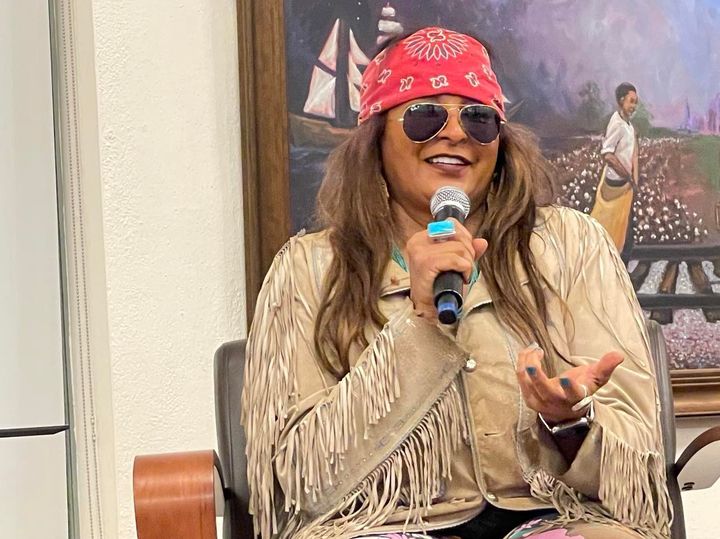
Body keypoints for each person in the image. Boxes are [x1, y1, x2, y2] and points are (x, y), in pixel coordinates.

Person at [241, 28, 670, 539]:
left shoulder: (573, 246)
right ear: (375, 136)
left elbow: (640, 471)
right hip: (380, 526)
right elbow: (300, 485)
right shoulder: (307, 271)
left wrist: (571, 424)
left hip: (556, 518)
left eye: (478, 118)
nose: (455, 133)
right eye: (424, 115)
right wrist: (417, 325)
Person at [590, 83, 639, 260]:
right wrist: (627, 175)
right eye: (631, 102)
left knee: (625, 228)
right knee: (615, 228)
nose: (634, 106)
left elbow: (634, 153)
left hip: (625, 185)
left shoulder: (629, 125)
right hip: (616, 184)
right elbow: (607, 154)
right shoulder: (617, 123)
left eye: (636, 103)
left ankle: (621, 265)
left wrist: (634, 180)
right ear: (621, 101)